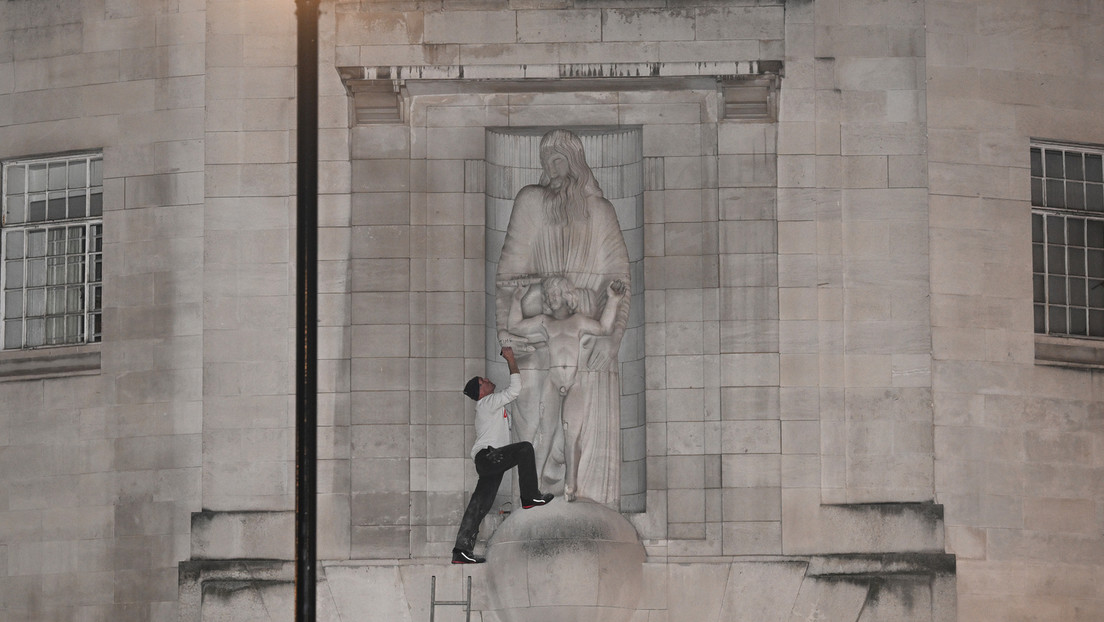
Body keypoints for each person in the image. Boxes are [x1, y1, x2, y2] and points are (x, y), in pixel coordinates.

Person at [495, 129, 631, 506]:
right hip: (539, 329)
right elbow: (508, 274)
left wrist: (613, 338)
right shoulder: (531, 202)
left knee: (578, 427)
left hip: (586, 336)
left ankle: (582, 498)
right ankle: (531, 498)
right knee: (532, 411)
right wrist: (507, 336)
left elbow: (619, 279)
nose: (552, 169)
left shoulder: (601, 212)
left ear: (575, 163)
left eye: (558, 160)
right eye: (546, 161)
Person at [506, 278, 627, 501]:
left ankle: (571, 485)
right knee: (545, 434)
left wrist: (613, 300)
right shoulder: (545, 321)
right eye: (548, 294)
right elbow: (514, 326)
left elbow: (604, 328)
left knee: (572, 436)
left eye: (555, 293)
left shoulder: (578, 321)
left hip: (574, 382)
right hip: (552, 382)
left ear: (566, 295)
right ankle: (534, 485)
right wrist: (516, 299)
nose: (551, 298)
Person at [452, 346, 553, 564]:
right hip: (489, 457)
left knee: (480, 504)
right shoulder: (487, 403)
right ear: (481, 391)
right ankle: (529, 496)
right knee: (525, 449)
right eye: (483, 381)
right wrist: (510, 359)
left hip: (489, 459)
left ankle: (461, 550)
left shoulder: (489, 407)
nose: (488, 380)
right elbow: (514, 390)